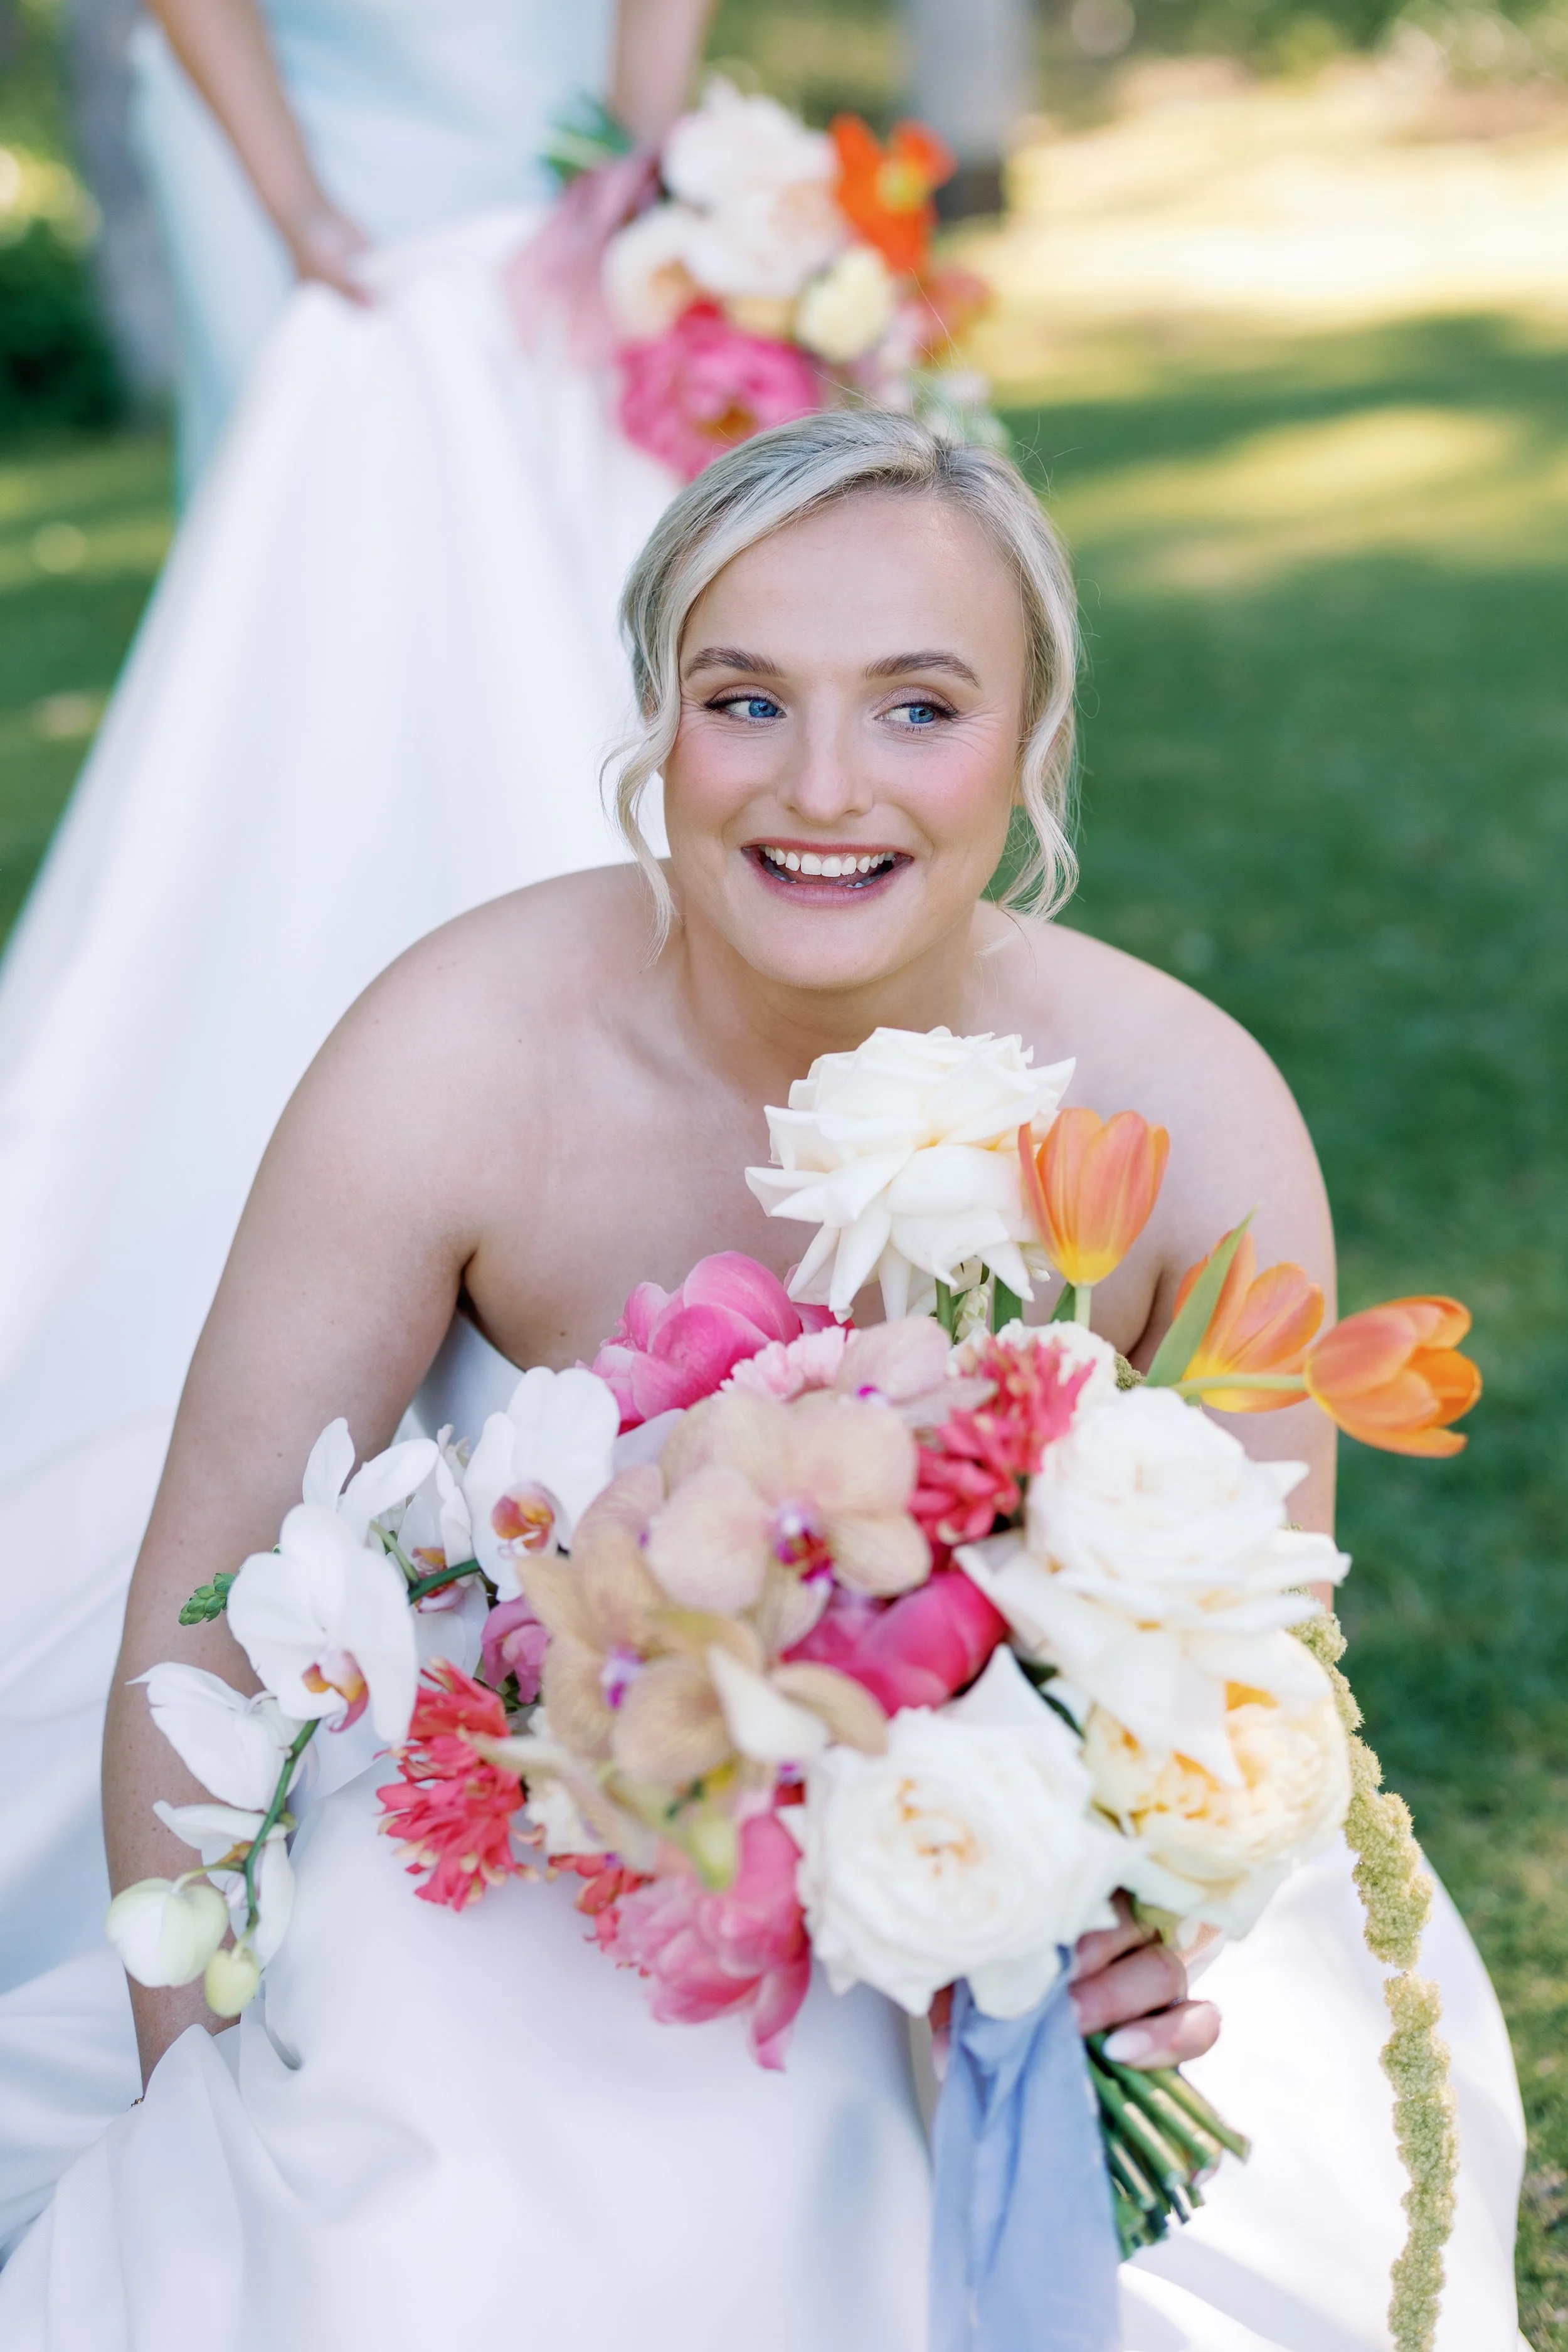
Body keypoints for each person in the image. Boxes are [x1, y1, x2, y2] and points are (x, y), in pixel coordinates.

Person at [0, 415, 1525, 2348]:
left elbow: (1255, 1669)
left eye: (917, 707)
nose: (821, 786)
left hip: (1022, 1863)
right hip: (552, 1825)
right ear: (657, 725)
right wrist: (192, 2092)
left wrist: (1144, 1925)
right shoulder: (458, 1049)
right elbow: (208, 1596)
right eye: (744, 700)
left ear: (1031, 743)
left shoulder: (1181, 1105)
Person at [0, 0, 714, 2251]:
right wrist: (310, 200)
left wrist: (638, 170)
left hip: (509, 211)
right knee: (380, 666)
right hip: (405, 220)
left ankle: (582, 1113)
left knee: (577, 639)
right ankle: (460, 1107)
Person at [133, 0, 712, 497]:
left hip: (555, 87)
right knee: (296, 450)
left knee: (560, 433)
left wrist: (635, 164)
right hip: (274, 100)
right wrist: (300, 211)